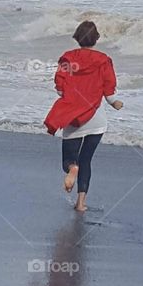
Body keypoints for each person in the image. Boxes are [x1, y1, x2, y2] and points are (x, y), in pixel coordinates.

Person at [43, 20, 123, 213]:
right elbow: (108, 90)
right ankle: (80, 203)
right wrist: (114, 103)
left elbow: (61, 89)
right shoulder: (104, 60)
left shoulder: (68, 59)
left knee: (69, 161)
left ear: (77, 38)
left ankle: (72, 169)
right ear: (96, 39)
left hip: (74, 118)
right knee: (86, 160)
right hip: (97, 119)